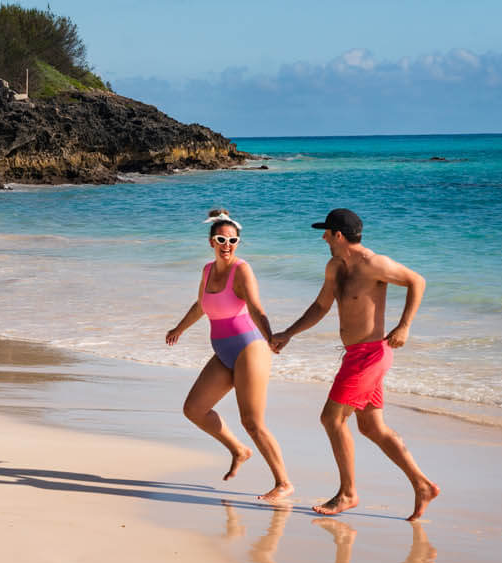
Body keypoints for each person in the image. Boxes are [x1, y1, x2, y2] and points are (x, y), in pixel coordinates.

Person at [270, 208, 441, 521]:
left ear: (338, 235)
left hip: (372, 354)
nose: (322, 237)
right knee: (372, 427)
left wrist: (404, 325)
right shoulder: (335, 266)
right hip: (355, 356)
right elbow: (321, 306)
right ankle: (422, 485)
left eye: (326, 232)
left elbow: (417, 281)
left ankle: (348, 493)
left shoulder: (374, 263)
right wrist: (288, 333)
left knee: (331, 419)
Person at [165, 209, 293, 503]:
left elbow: (257, 307)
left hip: (250, 347)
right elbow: (201, 305)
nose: (227, 245)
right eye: (221, 239)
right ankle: (239, 450)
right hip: (223, 350)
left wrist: (271, 336)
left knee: (252, 421)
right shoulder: (208, 270)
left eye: (233, 240)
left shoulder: (242, 270)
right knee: (194, 409)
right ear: (211, 241)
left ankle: (284, 483)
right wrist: (179, 328)